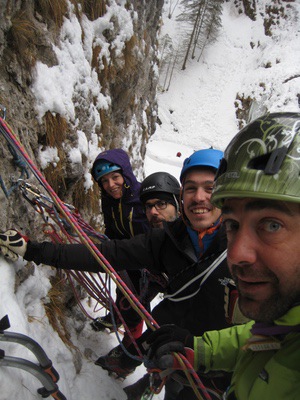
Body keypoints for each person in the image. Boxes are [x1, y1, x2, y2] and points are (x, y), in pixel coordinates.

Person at [0, 148, 245, 399]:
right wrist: (33, 250)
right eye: (191, 188)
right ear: (182, 195)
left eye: (210, 187)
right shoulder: (169, 240)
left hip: (228, 375)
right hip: (178, 361)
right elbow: (106, 253)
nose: (199, 197)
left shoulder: (250, 245)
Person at [145, 112, 300, 400]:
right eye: (232, 225)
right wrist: (199, 348)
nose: (237, 253)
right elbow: (261, 335)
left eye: (272, 225)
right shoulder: (285, 319)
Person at [96, 171, 181, 374]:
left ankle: (127, 361)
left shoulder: (138, 203)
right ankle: (118, 320)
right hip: (132, 262)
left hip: (147, 268)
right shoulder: (109, 200)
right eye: (104, 180)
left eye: (161, 204)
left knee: (139, 311)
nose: (111, 184)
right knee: (126, 302)